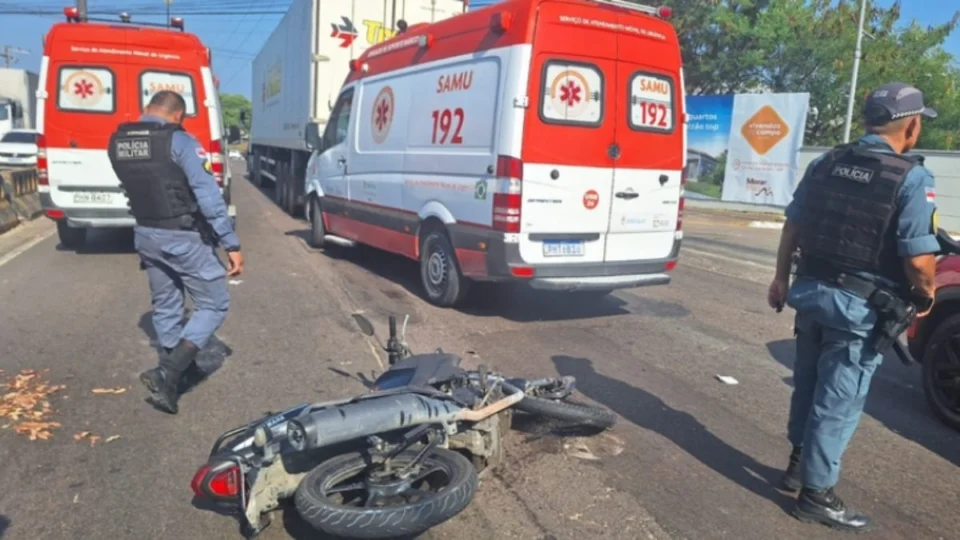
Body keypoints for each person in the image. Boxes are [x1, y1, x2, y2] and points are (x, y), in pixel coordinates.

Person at [767, 82, 938, 532]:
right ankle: (816, 496)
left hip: (810, 295)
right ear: (913, 126)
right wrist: (926, 294)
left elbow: (793, 225)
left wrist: (780, 277)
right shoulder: (911, 177)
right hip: (858, 310)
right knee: (837, 402)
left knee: (807, 385)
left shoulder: (828, 162)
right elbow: (919, 260)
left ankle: (798, 465)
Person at [107, 90, 244, 415]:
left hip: (146, 234)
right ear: (178, 116)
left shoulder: (118, 142)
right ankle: (168, 372)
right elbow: (208, 195)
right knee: (214, 304)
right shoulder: (179, 141)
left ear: (146, 109)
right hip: (183, 236)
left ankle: (175, 374)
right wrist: (231, 243)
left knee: (166, 304)